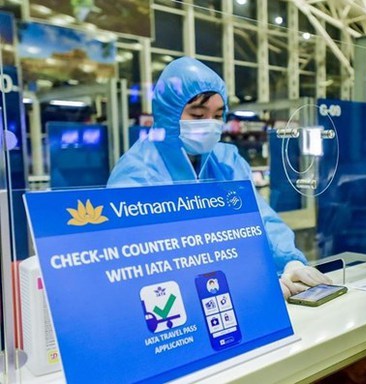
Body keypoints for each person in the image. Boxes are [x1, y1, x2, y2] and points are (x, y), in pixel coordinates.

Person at [107, 57, 330, 298]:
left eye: (217, 115)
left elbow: (260, 219)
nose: (210, 124)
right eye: (198, 114)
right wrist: (243, 280)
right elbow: (143, 257)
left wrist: (289, 261)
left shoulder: (226, 160)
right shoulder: (137, 172)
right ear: (169, 114)